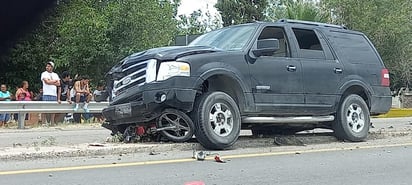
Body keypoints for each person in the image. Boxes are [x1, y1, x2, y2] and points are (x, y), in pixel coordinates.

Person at [40, 61, 60, 126]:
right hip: (46, 93)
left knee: (53, 109)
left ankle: (52, 123)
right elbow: (46, 82)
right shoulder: (44, 74)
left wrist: (50, 81)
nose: (47, 67)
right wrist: (54, 81)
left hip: (54, 94)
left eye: (49, 66)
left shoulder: (55, 75)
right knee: (44, 109)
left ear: (52, 67)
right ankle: (43, 123)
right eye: (47, 66)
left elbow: (58, 83)